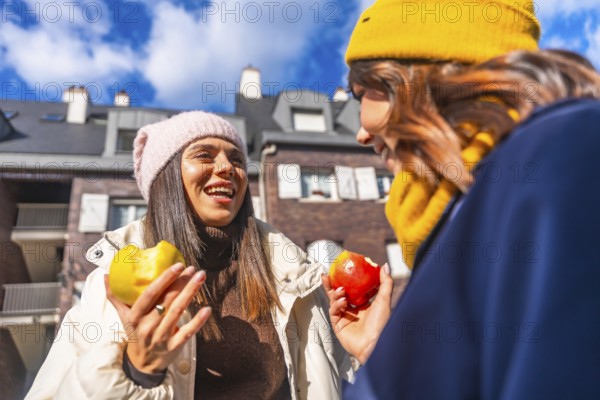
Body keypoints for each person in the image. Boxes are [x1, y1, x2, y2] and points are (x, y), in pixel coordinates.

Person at [322, 0, 600, 398]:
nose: (361, 135)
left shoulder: (558, 158)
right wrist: (384, 353)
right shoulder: (467, 215)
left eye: (362, 93)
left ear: (417, 79)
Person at [26, 111, 366, 399]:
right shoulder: (110, 281)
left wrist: (368, 349)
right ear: (167, 179)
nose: (227, 168)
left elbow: (338, 384)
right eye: (205, 155)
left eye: (236, 159)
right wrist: (138, 372)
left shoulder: (292, 275)